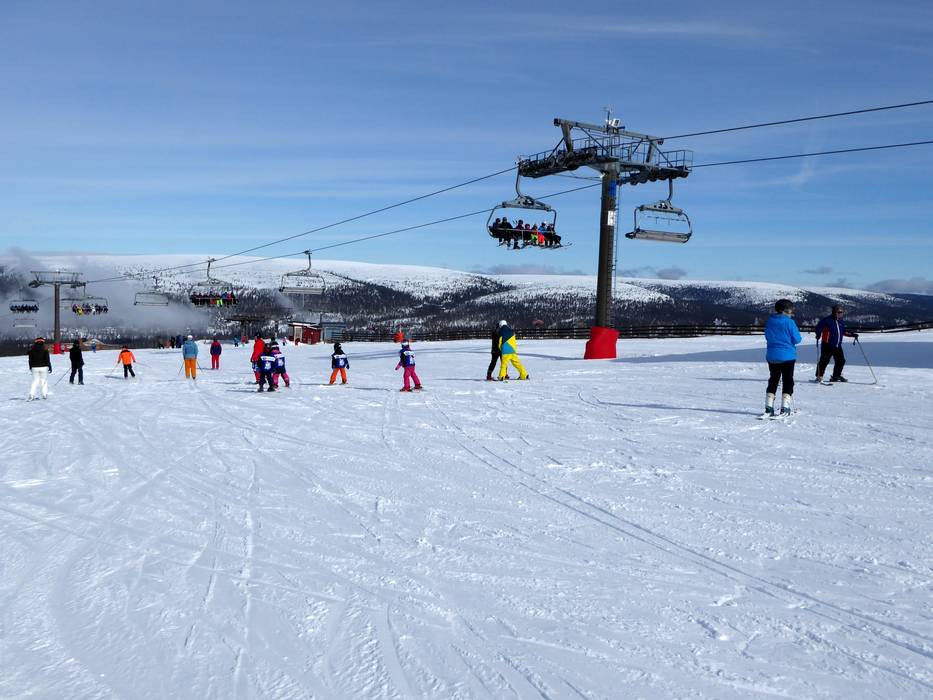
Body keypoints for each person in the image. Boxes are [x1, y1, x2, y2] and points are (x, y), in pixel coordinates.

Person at [763, 298, 802, 417]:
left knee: (774, 379)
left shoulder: (770, 321)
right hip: (787, 356)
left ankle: (769, 406)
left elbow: (767, 336)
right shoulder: (789, 322)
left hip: (772, 355)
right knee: (788, 380)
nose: (791, 313)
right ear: (785, 310)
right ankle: (785, 407)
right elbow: (797, 339)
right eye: (790, 310)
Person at [814, 304, 859, 383]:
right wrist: (818, 334)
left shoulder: (840, 321)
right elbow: (818, 328)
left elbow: (843, 331)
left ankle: (836, 376)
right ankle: (819, 376)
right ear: (834, 312)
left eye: (841, 312)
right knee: (824, 361)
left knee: (841, 361)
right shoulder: (827, 320)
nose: (840, 314)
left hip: (837, 345)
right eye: (838, 312)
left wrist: (852, 335)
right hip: (827, 345)